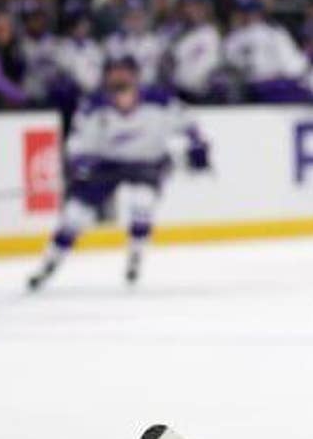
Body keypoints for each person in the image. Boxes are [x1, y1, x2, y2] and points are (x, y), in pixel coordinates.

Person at [27, 55, 210, 291]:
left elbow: (188, 122)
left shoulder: (160, 100)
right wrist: (80, 164)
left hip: (146, 163)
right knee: (74, 215)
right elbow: (78, 143)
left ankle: (135, 258)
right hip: (106, 165)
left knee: (142, 203)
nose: (119, 77)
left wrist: (197, 145)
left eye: (124, 72)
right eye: (114, 72)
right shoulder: (92, 106)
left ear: (135, 75)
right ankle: (48, 265)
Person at [222, 0, 313, 103]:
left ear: (258, 13)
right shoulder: (233, 39)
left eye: (248, 12)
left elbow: (293, 65)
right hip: (261, 89)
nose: (245, 16)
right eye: (242, 12)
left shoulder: (272, 33)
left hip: (265, 89)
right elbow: (294, 67)